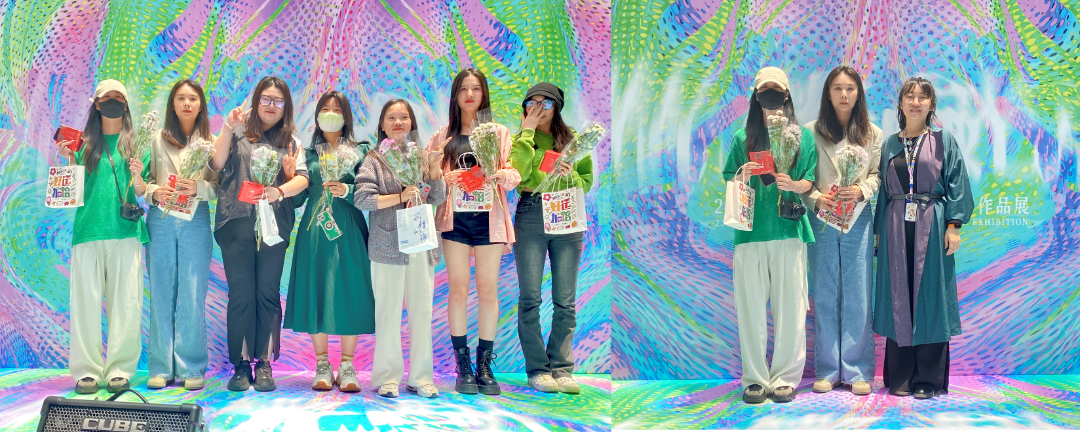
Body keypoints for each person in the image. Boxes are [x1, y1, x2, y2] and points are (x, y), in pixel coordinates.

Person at [721, 67, 817, 404]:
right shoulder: (742, 138)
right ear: (756, 95)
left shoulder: (802, 137)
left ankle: (785, 378)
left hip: (789, 230)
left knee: (791, 308)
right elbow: (730, 179)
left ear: (787, 94)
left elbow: (810, 181)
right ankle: (755, 379)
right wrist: (742, 174)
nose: (771, 95)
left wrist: (794, 184)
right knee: (750, 309)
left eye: (776, 89)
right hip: (750, 234)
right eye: (765, 90)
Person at [873, 76, 973, 399]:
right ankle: (901, 376)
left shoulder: (943, 141)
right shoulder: (890, 144)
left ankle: (927, 379)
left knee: (931, 296)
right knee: (898, 297)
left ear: (931, 104)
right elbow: (884, 193)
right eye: (910, 96)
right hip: (895, 226)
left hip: (932, 222)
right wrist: (878, 235)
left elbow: (957, 180)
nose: (916, 102)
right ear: (901, 103)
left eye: (922, 97)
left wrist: (954, 225)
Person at [210, 76, 309, 392]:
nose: (271, 105)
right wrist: (228, 127)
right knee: (240, 294)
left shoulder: (291, 141)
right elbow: (217, 162)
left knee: (267, 293)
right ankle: (241, 365)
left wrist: (280, 190)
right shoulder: (238, 132)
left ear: (285, 107)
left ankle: (263, 363)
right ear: (256, 102)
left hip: (273, 228)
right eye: (266, 99)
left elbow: (303, 180)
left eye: (278, 101)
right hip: (236, 223)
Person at [426, 68, 520, 395]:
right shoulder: (442, 136)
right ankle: (462, 364)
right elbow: (428, 178)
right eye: (463, 89)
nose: (469, 94)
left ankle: (485, 365)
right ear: (455, 96)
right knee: (458, 289)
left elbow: (513, 173)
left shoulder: (498, 133)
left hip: (489, 220)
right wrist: (442, 177)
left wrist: (502, 176)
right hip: (455, 220)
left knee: (488, 289)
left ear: (484, 94)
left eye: (476, 88)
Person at [56, 79, 150, 394]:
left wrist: (137, 174)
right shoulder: (82, 144)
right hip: (88, 232)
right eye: (106, 97)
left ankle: (120, 370)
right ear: (96, 104)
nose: (112, 102)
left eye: (118, 97)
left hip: (126, 233)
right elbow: (70, 195)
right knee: (85, 304)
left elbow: (143, 191)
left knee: (127, 305)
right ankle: (87, 371)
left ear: (126, 103)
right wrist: (69, 161)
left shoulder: (138, 143)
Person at [283, 91, 375, 393]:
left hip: (349, 228)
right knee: (316, 288)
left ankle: (347, 365)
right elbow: (297, 200)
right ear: (317, 115)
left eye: (338, 109)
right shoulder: (306, 154)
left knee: (350, 289)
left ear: (346, 116)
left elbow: (369, 192)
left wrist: (346, 190)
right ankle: (322, 364)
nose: (331, 113)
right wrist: (289, 178)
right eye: (326, 108)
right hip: (314, 230)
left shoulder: (362, 151)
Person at [354, 99, 446, 399]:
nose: (398, 122)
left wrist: (434, 170)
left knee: (422, 312)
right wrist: (399, 196)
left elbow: (437, 197)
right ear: (382, 125)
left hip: (420, 240)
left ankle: (421, 377)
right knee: (388, 313)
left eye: (404, 117)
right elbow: (362, 199)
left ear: (411, 123)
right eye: (391, 117)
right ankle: (387, 377)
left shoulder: (421, 156)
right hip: (387, 245)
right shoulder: (373, 160)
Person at [801, 66, 882, 396]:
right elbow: (803, 178)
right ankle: (827, 370)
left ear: (859, 93)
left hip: (858, 219)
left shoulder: (873, 134)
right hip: (822, 219)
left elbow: (877, 175)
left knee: (858, 294)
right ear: (828, 93)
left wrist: (861, 190)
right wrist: (817, 199)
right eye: (837, 88)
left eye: (850, 88)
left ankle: (857, 370)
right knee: (825, 292)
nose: (844, 94)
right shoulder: (810, 132)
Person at [509, 82, 594, 394]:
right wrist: (527, 132)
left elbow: (587, 180)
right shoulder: (519, 139)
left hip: (566, 212)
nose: (538, 108)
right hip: (531, 211)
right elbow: (517, 176)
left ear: (557, 107)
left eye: (546, 103)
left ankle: (562, 368)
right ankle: (537, 370)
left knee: (565, 299)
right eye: (532, 102)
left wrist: (570, 175)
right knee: (530, 298)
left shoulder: (573, 140)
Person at [143, 79, 219, 391]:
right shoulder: (156, 139)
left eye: (193, 99)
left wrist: (198, 187)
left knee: (192, 294)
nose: (187, 103)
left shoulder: (212, 143)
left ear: (201, 105)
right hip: (160, 220)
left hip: (195, 219)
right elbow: (142, 180)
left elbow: (219, 187)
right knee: (161, 294)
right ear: (172, 104)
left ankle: (191, 367)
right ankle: (161, 367)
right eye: (180, 98)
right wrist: (153, 192)